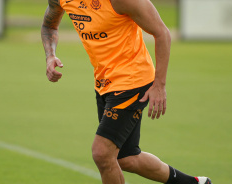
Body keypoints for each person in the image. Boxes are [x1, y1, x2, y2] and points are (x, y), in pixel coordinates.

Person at [41, 0, 212, 183]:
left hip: (132, 80)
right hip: (104, 82)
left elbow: (162, 33)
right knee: (126, 158)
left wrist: (159, 85)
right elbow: (49, 26)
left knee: (102, 153)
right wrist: (50, 55)